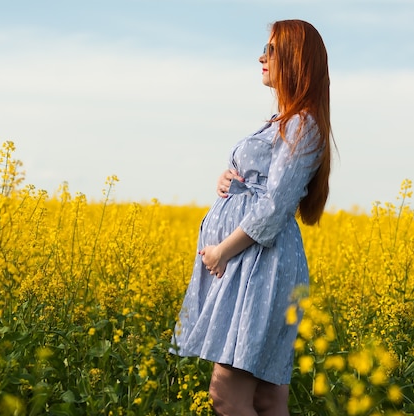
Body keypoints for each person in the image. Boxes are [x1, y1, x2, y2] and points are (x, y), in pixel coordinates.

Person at [172, 19, 332, 415]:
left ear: (295, 60)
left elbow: (275, 205)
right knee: (264, 398)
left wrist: (222, 251)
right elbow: (264, 184)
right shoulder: (284, 121)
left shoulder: (303, 123)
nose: (262, 57)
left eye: (272, 50)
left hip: (261, 266)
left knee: (227, 396)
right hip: (252, 264)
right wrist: (230, 178)